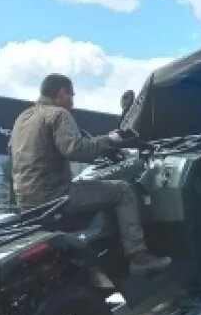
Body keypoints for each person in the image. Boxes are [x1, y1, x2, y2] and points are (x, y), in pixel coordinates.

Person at [9, 73, 171, 276]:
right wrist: (110, 140)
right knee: (122, 190)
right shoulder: (58, 114)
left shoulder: (22, 119)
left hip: (27, 203)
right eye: (71, 96)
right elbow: (75, 149)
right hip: (56, 196)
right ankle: (138, 257)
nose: (72, 102)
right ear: (62, 93)